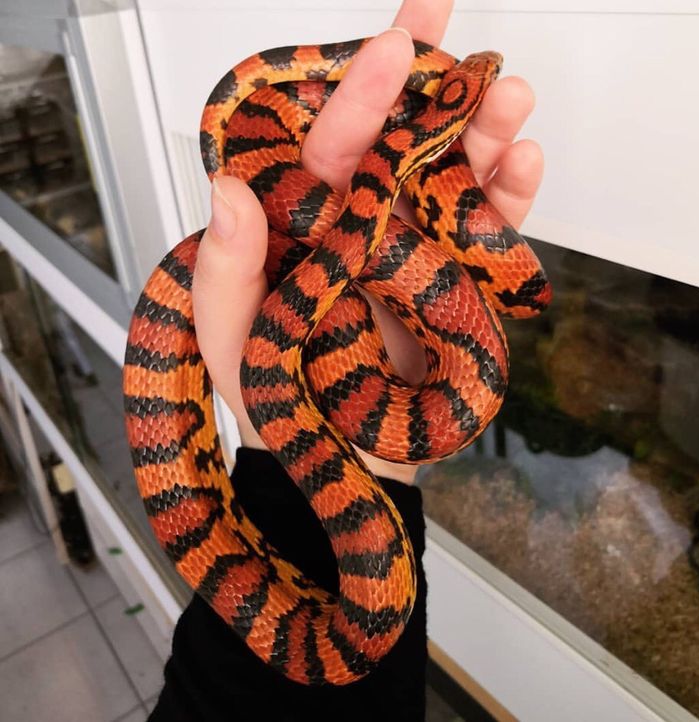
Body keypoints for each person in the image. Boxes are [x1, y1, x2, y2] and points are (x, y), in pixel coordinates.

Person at [147, 0, 543, 719]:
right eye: (473, 77)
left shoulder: (396, 165)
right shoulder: (387, 167)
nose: (481, 73)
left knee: (223, 258)